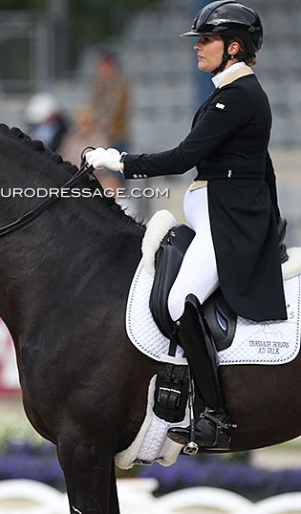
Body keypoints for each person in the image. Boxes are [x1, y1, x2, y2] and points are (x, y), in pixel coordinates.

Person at [86, 0, 287, 451]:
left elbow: (182, 158)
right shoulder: (228, 93)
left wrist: (117, 159)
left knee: (181, 299)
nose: (197, 47)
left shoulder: (238, 97)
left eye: (206, 39)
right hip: (218, 217)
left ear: (234, 47)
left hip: (228, 223)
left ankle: (214, 414)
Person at [90, 51, 131, 152]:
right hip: (101, 135)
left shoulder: (121, 87)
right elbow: (93, 107)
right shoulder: (96, 87)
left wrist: (103, 124)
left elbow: (118, 110)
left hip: (118, 135)